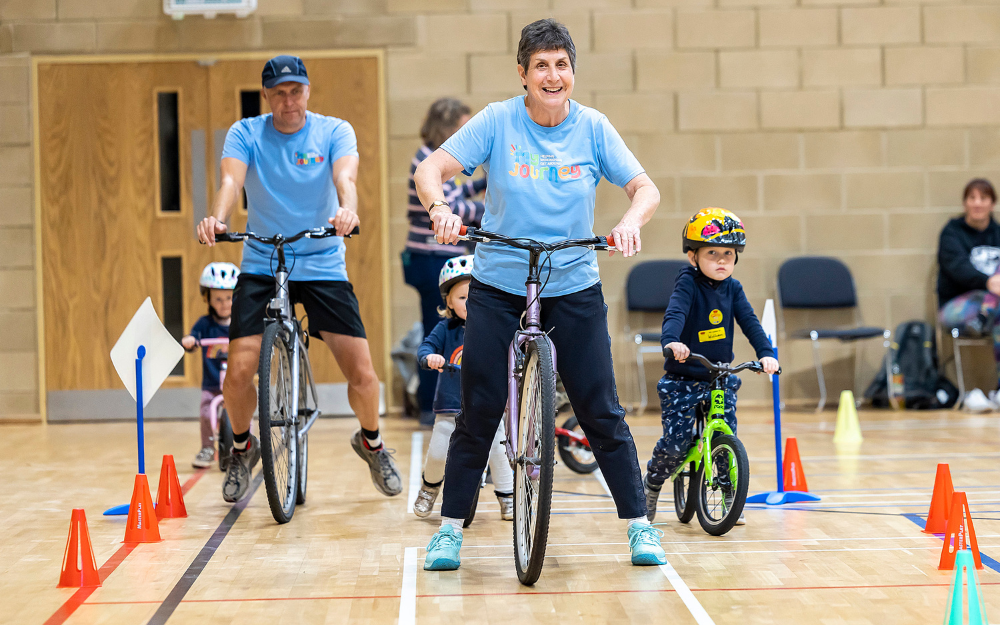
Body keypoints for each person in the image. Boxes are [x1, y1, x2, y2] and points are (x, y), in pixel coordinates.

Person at [414, 19, 665, 572]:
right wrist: (440, 209)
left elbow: (644, 188)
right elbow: (431, 168)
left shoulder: (594, 128)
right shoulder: (499, 120)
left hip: (573, 279)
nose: (553, 76)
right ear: (523, 74)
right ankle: (450, 529)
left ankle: (639, 526)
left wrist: (628, 223)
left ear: (572, 72)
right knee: (478, 407)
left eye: (562, 64)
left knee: (600, 407)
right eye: (542, 66)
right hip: (500, 281)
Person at [197, 55, 402, 503]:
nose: (288, 100)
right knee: (239, 372)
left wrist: (346, 209)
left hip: (322, 260)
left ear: (307, 91)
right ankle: (240, 448)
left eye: (296, 90)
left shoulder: (333, 131)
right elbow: (231, 182)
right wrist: (217, 218)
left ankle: (371, 443)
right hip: (262, 262)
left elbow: (345, 176)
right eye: (279, 93)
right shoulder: (246, 132)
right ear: (267, 96)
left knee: (363, 373)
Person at [642, 208, 779, 524]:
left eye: (728, 254)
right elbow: (675, 312)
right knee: (675, 445)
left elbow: (750, 322)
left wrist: (766, 353)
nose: (721, 260)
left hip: (720, 376)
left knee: (726, 434)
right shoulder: (688, 282)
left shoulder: (734, 288)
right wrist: (672, 340)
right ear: (693, 257)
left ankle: (729, 495)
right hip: (683, 377)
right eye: (712, 253)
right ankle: (652, 483)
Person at [403, 98, 487, 427]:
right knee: (437, 331)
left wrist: (482, 185)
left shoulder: (430, 156)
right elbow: (452, 207)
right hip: (431, 257)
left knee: (441, 328)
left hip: (433, 256)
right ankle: (430, 405)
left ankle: (437, 402)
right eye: (461, 126)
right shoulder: (425, 159)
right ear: (446, 126)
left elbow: (457, 193)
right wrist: (495, 209)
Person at [414, 255, 514, 520]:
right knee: (437, 454)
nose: (469, 303)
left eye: (476, 296)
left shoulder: (496, 329)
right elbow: (425, 348)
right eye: (461, 298)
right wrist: (430, 358)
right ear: (448, 301)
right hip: (450, 407)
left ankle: (508, 498)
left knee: (499, 453)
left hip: (490, 406)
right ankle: (429, 488)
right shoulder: (446, 329)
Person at [937, 178, 1000, 410]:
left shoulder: (998, 233)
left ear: (992, 203)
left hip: (993, 307)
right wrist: (988, 282)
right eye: (972, 198)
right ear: (965, 203)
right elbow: (959, 270)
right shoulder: (952, 233)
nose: (977, 203)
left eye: (983, 198)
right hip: (956, 306)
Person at [181, 262, 239, 469]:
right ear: (208, 299)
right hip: (212, 383)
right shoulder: (205, 324)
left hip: (237, 381)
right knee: (207, 410)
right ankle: (207, 447)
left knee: (242, 411)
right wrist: (190, 340)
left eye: (229, 298)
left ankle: (244, 446)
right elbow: (194, 336)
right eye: (218, 299)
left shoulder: (241, 322)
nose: (224, 303)